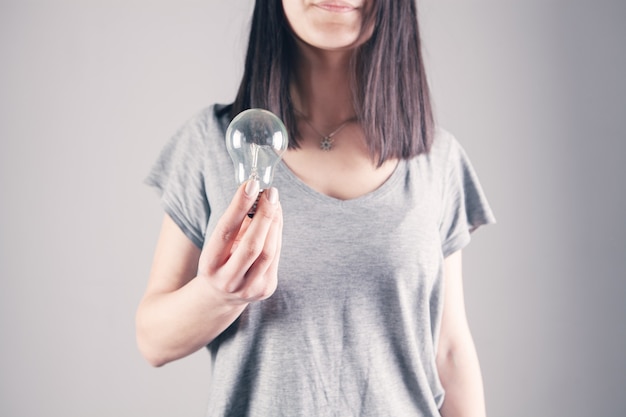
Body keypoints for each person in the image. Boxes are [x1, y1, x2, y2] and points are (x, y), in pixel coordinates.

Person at [136, 1, 495, 416]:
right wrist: (219, 295)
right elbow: (153, 340)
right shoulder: (210, 144)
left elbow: (449, 350)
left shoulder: (437, 158)